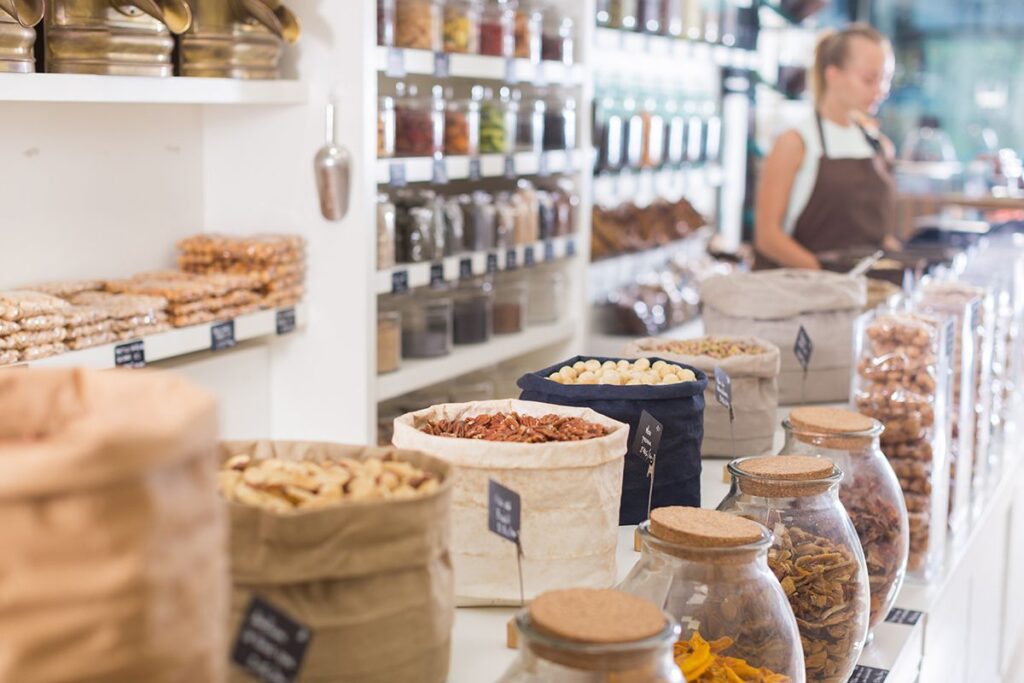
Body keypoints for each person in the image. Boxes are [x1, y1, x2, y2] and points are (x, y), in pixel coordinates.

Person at [754, 23, 899, 270]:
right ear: (833, 75)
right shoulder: (795, 142)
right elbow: (768, 237)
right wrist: (827, 277)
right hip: (804, 287)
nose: (881, 90)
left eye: (885, 79)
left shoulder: (878, 145)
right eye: (869, 79)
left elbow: (878, 235)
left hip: (865, 287)